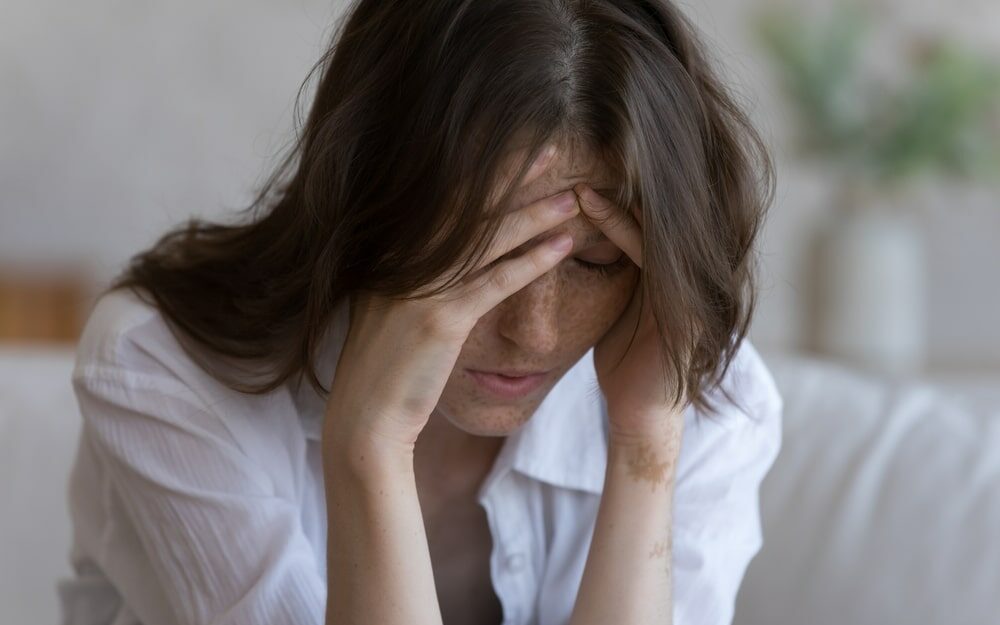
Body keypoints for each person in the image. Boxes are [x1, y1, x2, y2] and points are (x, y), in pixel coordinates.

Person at [57, 1, 782, 624]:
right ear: (368, 201)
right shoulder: (161, 370)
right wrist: (366, 444)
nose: (533, 329)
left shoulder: (705, 400)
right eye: (488, 252)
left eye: (595, 262)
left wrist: (643, 447)